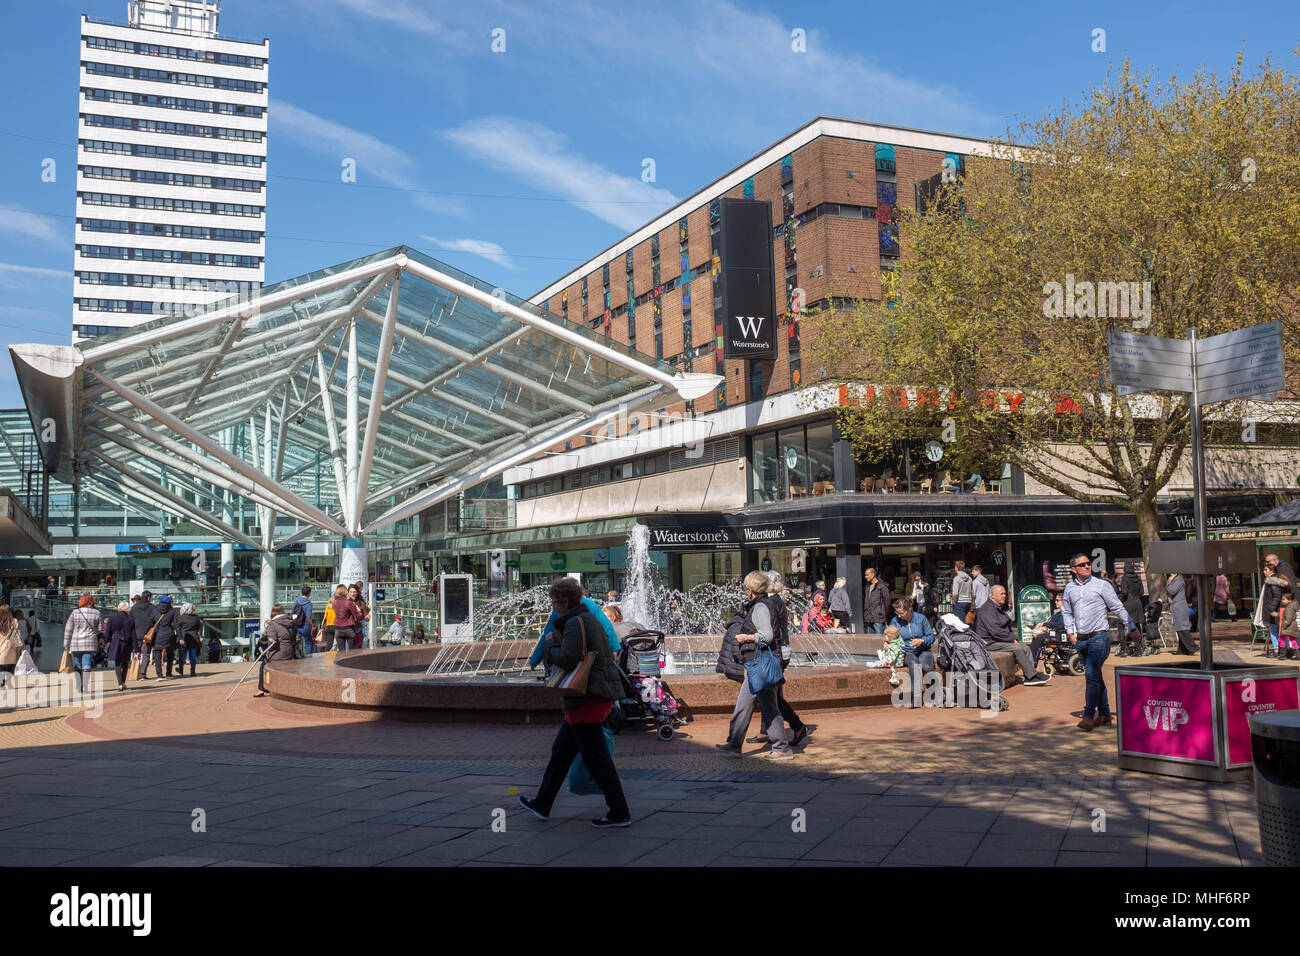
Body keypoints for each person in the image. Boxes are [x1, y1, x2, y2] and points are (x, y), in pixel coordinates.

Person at [518, 577, 631, 828]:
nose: (553, 607)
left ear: (565, 602)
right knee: (561, 753)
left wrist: (550, 645)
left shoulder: (574, 622)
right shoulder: (588, 619)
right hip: (591, 696)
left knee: (598, 760)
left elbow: (567, 659)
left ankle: (620, 812)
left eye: (555, 603)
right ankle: (543, 803)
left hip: (586, 699)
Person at [715, 571, 796, 760]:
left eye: (746, 588)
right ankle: (734, 744)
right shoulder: (763, 604)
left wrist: (747, 637)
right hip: (755, 664)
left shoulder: (760, 607)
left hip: (760, 664)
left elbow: (767, 635)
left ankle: (781, 747)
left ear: (750, 590)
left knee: (768, 706)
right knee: (743, 704)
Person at [1063, 552, 1139, 731]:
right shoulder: (1069, 588)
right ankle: (1104, 714)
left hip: (1099, 637)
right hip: (1081, 640)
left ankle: (1089, 715)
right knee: (1096, 676)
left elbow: (1117, 607)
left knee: (1090, 676)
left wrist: (1132, 627)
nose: (1087, 566)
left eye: (1088, 563)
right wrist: (1070, 633)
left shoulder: (1102, 585)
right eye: (1082, 565)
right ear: (1074, 569)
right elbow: (1066, 611)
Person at [973, 585, 1051, 687]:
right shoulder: (987, 609)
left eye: (1005, 594)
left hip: (998, 640)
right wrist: (1011, 639)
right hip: (989, 642)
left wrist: (1013, 638)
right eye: (1001, 594)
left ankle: (1031, 675)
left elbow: (1006, 627)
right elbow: (995, 631)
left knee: (1026, 648)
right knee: (1017, 648)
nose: (1004, 596)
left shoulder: (997, 607)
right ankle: (1031, 676)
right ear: (992, 596)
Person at [890, 597, 946, 707]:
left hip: (923, 649)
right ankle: (917, 698)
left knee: (927, 666)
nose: (899, 616)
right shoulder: (895, 621)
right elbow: (890, 635)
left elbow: (931, 636)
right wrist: (888, 642)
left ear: (909, 610)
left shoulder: (921, 619)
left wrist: (922, 640)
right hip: (906, 651)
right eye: (897, 613)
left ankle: (937, 694)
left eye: (901, 613)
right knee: (913, 662)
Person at [255, 604, 300, 697]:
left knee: (263, 665)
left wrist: (267, 651)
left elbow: (272, 641)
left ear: (272, 614)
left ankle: (261, 689)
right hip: (290, 653)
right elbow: (297, 638)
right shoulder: (291, 622)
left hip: (278, 654)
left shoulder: (272, 624)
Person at [64, 594, 102, 693]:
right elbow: (100, 629)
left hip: (76, 643)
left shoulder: (75, 612)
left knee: (77, 665)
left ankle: (78, 686)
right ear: (91, 601)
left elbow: (68, 630)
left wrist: (66, 644)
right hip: (90, 643)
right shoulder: (97, 613)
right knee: (87, 664)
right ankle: (85, 687)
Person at [1261, 553, 1296, 659]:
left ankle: (1278, 650)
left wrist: (1271, 609)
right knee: (1280, 630)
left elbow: (1276, 597)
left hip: (1275, 610)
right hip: (1278, 609)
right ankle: (1286, 650)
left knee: (1275, 631)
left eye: (1266, 569)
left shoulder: (1272, 581)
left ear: (1271, 571)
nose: (1264, 572)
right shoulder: (1277, 579)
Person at [103, 600, 136, 692]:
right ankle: (123, 682)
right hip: (127, 643)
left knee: (117, 662)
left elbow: (107, 633)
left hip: (115, 641)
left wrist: (107, 640)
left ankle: (120, 683)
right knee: (125, 663)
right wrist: (136, 648)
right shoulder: (130, 619)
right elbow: (133, 634)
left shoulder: (112, 617)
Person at [130, 592, 160, 680]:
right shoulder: (152, 608)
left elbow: (130, 621)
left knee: (136, 653)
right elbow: (157, 620)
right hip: (148, 635)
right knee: (146, 654)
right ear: (148, 598)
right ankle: (143, 673)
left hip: (136, 634)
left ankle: (134, 672)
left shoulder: (134, 608)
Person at [1166, 573, 1198, 655]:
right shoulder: (1175, 580)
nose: (1170, 574)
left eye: (1172, 572)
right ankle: (1182, 649)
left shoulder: (1179, 580)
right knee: (1179, 628)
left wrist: (1168, 582)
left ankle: (1192, 647)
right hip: (1177, 606)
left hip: (1179, 607)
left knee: (1182, 628)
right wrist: (1163, 600)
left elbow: (1172, 591)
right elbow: (1172, 596)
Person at [150, 595, 178, 680]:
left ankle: (159, 675)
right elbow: (176, 625)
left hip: (157, 634)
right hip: (169, 634)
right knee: (170, 654)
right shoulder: (172, 611)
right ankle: (168, 673)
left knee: (157, 654)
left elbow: (150, 623)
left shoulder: (154, 610)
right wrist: (180, 636)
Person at [328, 585, 361, 651]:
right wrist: (359, 613)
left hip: (338, 629)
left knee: (341, 651)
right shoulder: (349, 603)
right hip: (349, 628)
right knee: (353, 651)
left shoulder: (334, 602)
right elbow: (357, 616)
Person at [176, 602, 202, 677]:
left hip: (184, 637)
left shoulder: (181, 618)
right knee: (193, 656)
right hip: (194, 638)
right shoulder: (196, 618)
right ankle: (193, 671)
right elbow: (198, 628)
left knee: (182, 655)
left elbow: (178, 628)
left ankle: (181, 670)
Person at [862, 567, 890, 634]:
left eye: (867, 575)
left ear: (873, 574)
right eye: (865, 575)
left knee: (879, 638)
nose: (865, 577)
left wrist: (883, 614)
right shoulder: (868, 586)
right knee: (871, 638)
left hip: (878, 618)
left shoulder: (882, 586)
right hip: (869, 617)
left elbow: (887, 602)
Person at [0, 605, 22, 679]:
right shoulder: (14, 621)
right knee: (10, 678)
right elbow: (18, 639)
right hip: (11, 654)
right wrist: (19, 652)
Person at [292, 586, 314, 655]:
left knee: (296, 642)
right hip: (305, 626)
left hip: (296, 625)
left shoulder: (295, 602)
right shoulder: (308, 604)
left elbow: (293, 614)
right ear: (309, 593)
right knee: (308, 642)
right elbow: (308, 617)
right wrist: (312, 625)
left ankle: (295, 655)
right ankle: (308, 658)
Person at [1279, 592, 1299, 660]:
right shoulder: (1293, 606)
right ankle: (1298, 655)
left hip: (1288, 627)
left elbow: (1288, 619)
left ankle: (1283, 655)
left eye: (1284, 599)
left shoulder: (1288, 608)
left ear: (1289, 600)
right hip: (1293, 626)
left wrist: (1283, 626)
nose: (1282, 601)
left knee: (1281, 639)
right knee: (1293, 640)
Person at [350, 583, 370, 648]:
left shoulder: (361, 602)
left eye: (354, 592)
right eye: (351, 592)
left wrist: (367, 616)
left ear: (357, 593)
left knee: (358, 648)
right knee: (347, 650)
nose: (352, 594)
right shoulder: (346, 602)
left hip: (358, 628)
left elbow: (366, 615)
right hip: (348, 629)